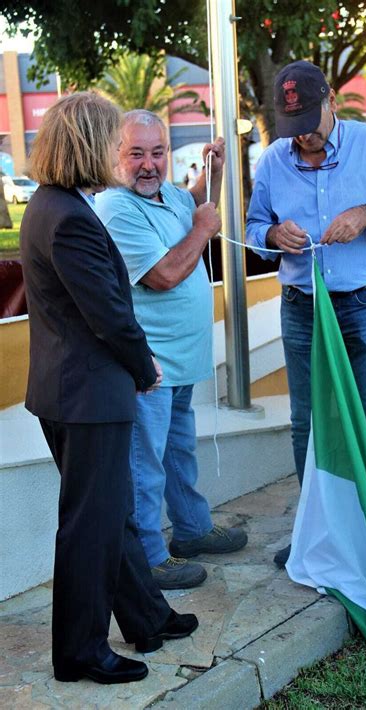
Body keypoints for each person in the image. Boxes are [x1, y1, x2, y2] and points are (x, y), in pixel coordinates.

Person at [20, 93, 198, 685]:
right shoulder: (68, 216)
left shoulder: (55, 204)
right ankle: (80, 653)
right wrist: (146, 369)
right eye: (109, 137)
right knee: (90, 528)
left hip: (73, 390)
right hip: (87, 396)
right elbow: (108, 315)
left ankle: (146, 618)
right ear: (88, 144)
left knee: (110, 515)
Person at [246, 61, 366, 568]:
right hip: (302, 309)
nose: (301, 135)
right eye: (291, 126)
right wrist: (271, 236)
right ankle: (317, 536)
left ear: (330, 99)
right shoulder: (274, 160)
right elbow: (254, 227)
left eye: (308, 119)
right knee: (307, 424)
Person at [96, 110, 248, 590]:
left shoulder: (171, 197)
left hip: (183, 362)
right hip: (151, 366)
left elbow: (198, 205)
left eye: (157, 152)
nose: (148, 164)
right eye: (136, 153)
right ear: (114, 156)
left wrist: (216, 171)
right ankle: (149, 556)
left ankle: (192, 530)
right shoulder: (116, 208)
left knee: (180, 454)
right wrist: (203, 230)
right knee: (146, 465)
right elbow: (162, 276)